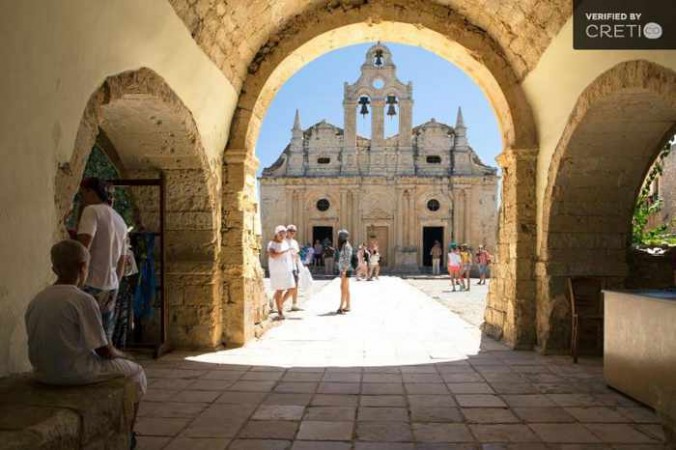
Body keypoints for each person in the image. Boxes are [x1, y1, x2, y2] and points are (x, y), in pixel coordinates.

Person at [25, 240, 146, 447]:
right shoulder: (82, 299)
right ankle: (129, 437)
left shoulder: (37, 298)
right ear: (83, 267)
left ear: (54, 268)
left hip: (42, 372)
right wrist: (126, 357)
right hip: (74, 373)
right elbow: (104, 350)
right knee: (137, 372)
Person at [76, 177, 128, 341]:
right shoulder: (120, 219)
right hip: (111, 285)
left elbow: (83, 248)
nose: (82, 198)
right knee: (104, 339)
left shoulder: (91, 211)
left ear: (90, 191)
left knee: (84, 336)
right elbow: (123, 259)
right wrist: (116, 286)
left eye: (82, 193)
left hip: (91, 282)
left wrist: (77, 281)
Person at [267, 225, 295, 320]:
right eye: (281, 234)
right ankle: (280, 311)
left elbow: (288, 255)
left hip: (287, 269)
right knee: (280, 290)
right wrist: (284, 252)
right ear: (277, 234)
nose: (283, 235)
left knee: (292, 288)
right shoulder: (272, 244)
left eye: (284, 233)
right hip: (277, 271)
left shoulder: (285, 243)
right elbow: (272, 255)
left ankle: (280, 304)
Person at [282, 224, 302, 311]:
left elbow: (297, 254)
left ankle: (294, 304)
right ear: (287, 231)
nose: (293, 233)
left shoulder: (295, 242)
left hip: (294, 266)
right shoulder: (283, 241)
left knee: (295, 286)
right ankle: (279, 302)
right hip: (285, 267)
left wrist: (299, 263)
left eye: (294, 231)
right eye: (291, 231)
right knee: (285, 287)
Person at [335, 229, 353, 314]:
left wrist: (344, 271)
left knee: (343, 288)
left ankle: (341, 307)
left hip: (345, 270)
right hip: (344, 269)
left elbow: (347, 259)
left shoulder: (346, 246)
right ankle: (348, 305)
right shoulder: (344, 245)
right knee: (346, 288)